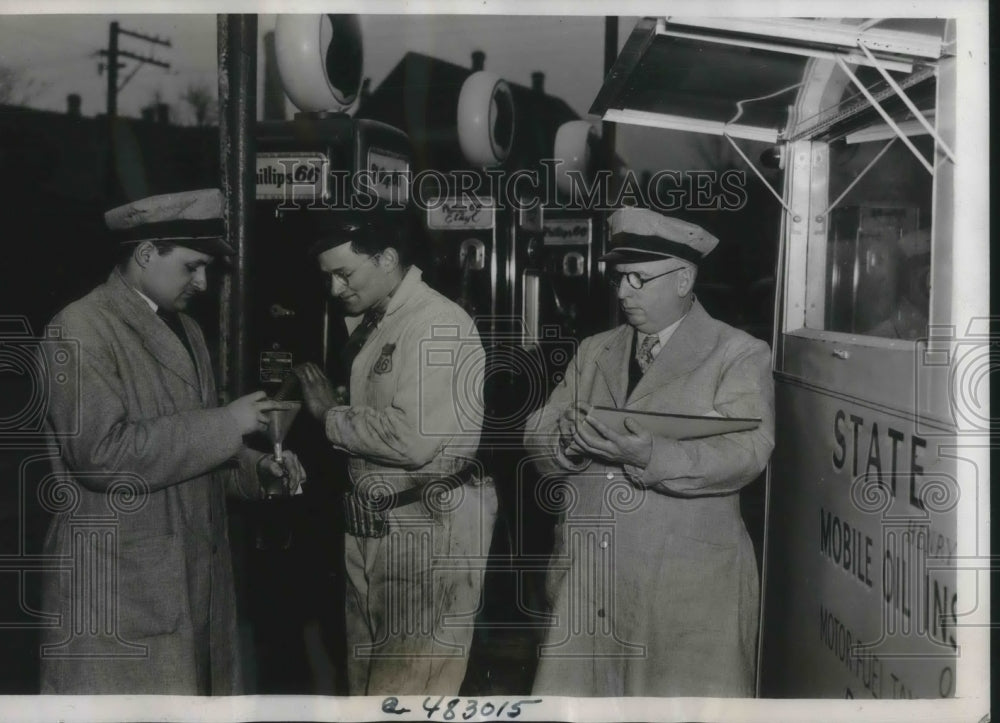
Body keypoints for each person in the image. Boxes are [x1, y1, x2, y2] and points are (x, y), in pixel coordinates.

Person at [39, 189, 306, 695]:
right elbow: (101, 455)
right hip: (120, 597)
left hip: (183, 590)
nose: (203, 283)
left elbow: (187, 457)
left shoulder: (185, 330)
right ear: (144, 255)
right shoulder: (79, 329)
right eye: (192, 266)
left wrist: (256, 472)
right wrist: (228, 424)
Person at [523, 207, 775, 697]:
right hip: (590, 582)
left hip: (684, 590)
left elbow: (748, 450)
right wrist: (566, 443)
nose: (622, 292)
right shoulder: (596, 349)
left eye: (638, 278)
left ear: (683, 279)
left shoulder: (738, 353)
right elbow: (537, 433)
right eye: (619, 277)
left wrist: (650, 457)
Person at [294, 210, 497, 695]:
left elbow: (412, 438)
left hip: (427, 531)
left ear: (387, 259)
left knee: (409, 691)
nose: (336, 290)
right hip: (379, 524)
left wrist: (329, 415)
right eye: (329, 278)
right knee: (370, 687)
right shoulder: (379, 320)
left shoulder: (437, 324)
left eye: (345, 274)